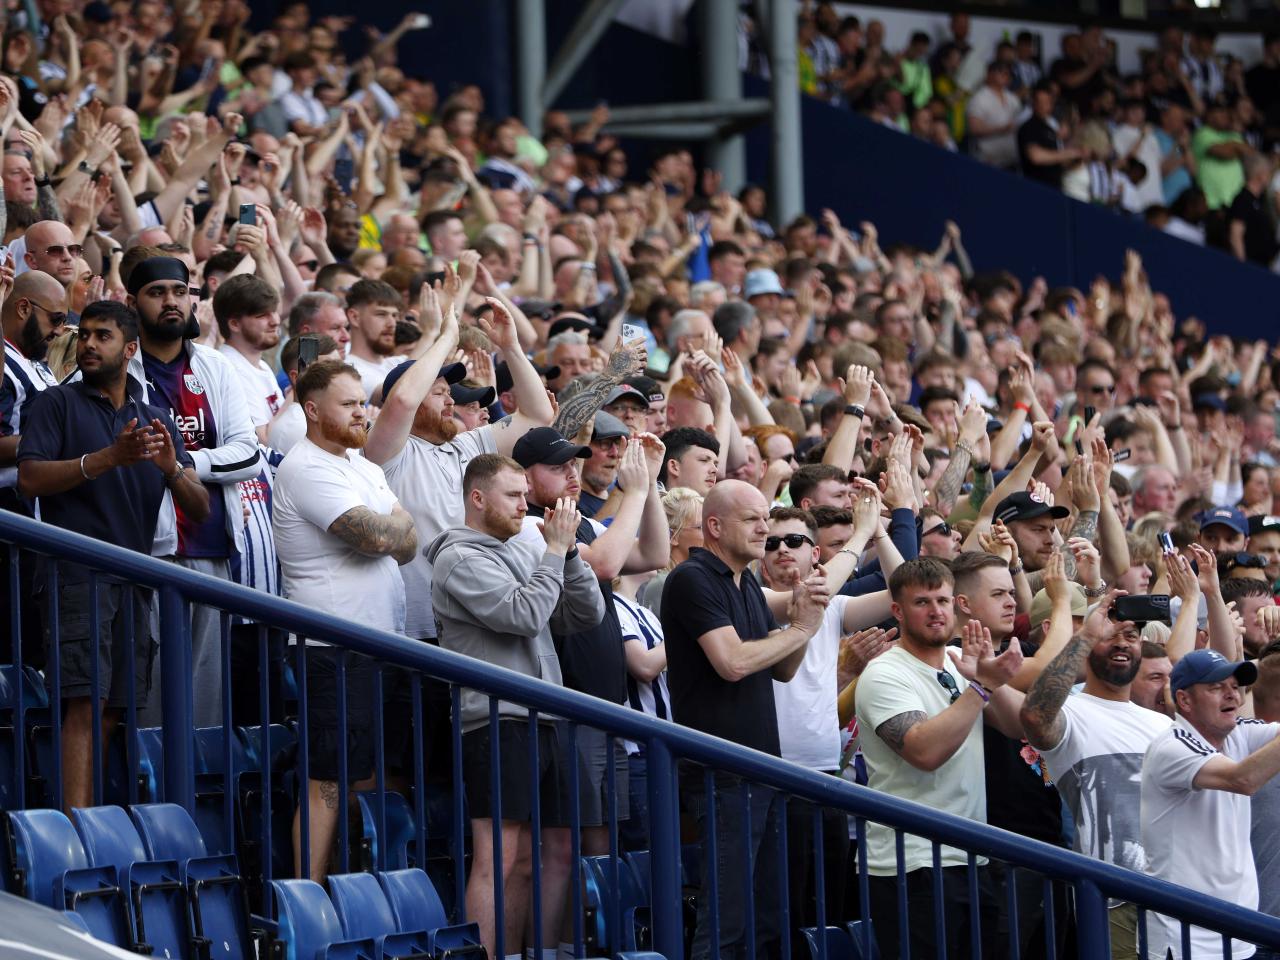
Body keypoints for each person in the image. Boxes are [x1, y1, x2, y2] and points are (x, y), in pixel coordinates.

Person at [16, 301, 208, 814]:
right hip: (76, 575)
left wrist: (171, 468)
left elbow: (201, 507)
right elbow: (30, 478)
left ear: (129, 349)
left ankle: (94, 823)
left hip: (135, 581)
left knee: (112, 711)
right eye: (84, 337)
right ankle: (76, 833)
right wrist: (108, 458)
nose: (88, 345)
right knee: (84, 703)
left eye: (102, 337)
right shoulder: (56, 403)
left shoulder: (155, 417)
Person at [428, 453, 604, 960]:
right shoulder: (458, 558)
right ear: (477, 498)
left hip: (543, 715)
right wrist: (551, 551)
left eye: (526, 495)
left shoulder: (525, 553)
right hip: (496, 719)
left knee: (547, 854)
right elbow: (525, 615)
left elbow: (585, 615)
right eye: (513, 495)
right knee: (499, 858)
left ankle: (536, 953)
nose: (525, 506)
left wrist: (567, 555)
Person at [662, 479, 829, 960]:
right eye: (753, 519)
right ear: (714, 526)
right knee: (726, 923)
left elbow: (781, 668)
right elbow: (732, 662)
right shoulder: (693, 579)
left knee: (768, 918)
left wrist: (806, 621)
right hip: (723, 775)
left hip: (763, 771)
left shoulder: (747, 584)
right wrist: (798, 627)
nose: (766, 528)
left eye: (767, 517)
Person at [271, 359, 418, 881]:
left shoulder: (367, 469)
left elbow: (409, 542)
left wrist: (393, 528)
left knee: (369, 776)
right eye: (350, 403)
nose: (364, 412)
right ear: (312, 410)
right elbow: (380, 538)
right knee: (326, 781)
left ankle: (351, 889)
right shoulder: (305, 466)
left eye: (364, 401)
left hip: (380, 643)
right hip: (331, 648)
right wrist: (391, 527)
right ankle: (305, 899)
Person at [855, 557, 1023, 959]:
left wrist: (989, 677)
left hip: (970, 854)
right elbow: (924, 750)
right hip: (911, 862)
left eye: (944, 601)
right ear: (897, 610)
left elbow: (1019, 727)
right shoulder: (884, 673)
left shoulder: (957, 661)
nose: (936, 612)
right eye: (922, 602)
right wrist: (980, 686)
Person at [127, 256, 262, 728]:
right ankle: (151, 798)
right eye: (157, 292)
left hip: (211, 548)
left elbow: (248, 455)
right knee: (150, 700)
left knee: (204, 706)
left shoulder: (216, 367)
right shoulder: (116, 371)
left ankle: (192, 801)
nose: (171, 301)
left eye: (179, 291)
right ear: (132, 302)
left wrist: (183, 463)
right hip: (146, 552)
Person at [759, 498, 892, 941]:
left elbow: (902, 592)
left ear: (816, 553)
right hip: (768, 776)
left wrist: (881, 535)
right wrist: (860, 535)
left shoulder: (835, 608)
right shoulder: (748, 601)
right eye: (771, 541)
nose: (782, 549)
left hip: (825, 776)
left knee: (827, 910)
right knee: (783, 911)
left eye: (795, 541)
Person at [1020, 591, 1173, 957]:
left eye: (1132, 636)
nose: (1122, 643)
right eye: (1111, 633)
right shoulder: (1071, 712)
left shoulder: (1162, 723)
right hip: (1114, 900)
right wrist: (1088, 634)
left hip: (1175, 897)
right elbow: (1035, 715)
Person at [1141, 649, 1280, 960]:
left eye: (1235, 686)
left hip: (1239, 935)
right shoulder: (1172, 746)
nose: (1231, 694)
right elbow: (1243, 780)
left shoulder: (1238, 732)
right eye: (1217, 687)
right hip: (1184, 941)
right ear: (1185, 701)